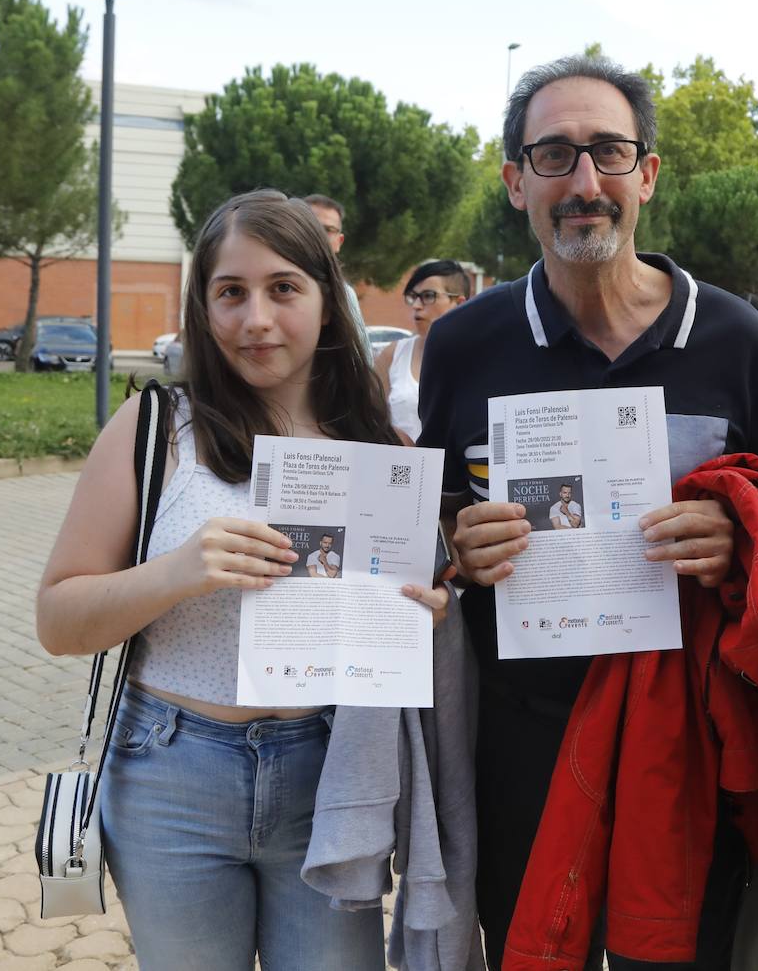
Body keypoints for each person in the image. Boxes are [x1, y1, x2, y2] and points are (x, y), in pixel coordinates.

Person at [416, 53, 758, 970]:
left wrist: (737, 536)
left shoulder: (735, 339)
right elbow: (425, 521)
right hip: (521, 740)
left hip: (688, 745)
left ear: (649, 176)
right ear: (516, 182)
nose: (584, 183)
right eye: (554, 155)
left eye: (610, 153)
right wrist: (456, 546)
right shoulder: (466, 343)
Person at [36, 190, 452, 970]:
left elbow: (410, 611)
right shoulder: (157, 425)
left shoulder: (381, 447)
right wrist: (175, 574)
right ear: (203, 306)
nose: (255, 318)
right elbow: (59, 621)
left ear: (328, 303)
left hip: (331, 774)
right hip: (171, 772)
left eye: (283, 288)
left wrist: (424, 611)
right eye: (231, 292)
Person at [373, 260, 469, 442]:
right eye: (413, 296)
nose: (417, 305)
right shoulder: (393, 355)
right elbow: (367, 418)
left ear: (459, 302)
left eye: (428, 296)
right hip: (401, 467)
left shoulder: (479, 358)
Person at [302, 194, 372, 354]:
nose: (318, 235)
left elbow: (360, 359)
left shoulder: (345, 294)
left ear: (339, 242)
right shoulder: (267, 283)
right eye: (311, 226)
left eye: (328, 230)